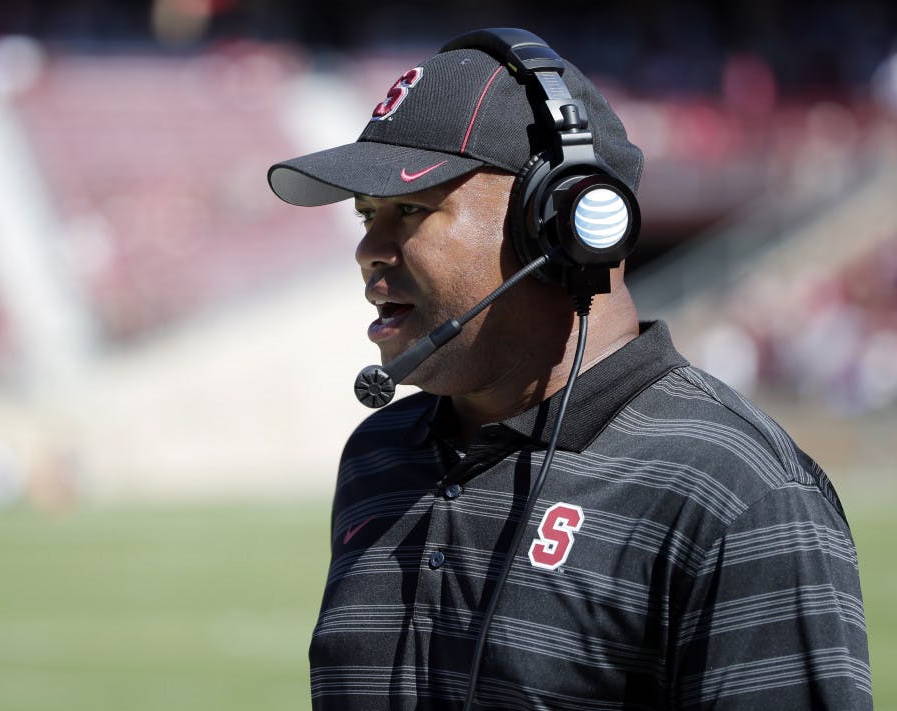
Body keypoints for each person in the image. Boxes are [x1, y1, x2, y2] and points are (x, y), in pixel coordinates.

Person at [267, 28, 871, 711]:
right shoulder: (378, 457)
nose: (368, 250)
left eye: (410, 209)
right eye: (366, 213)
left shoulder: (736, 491)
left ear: (563, 226)